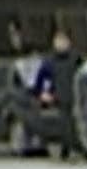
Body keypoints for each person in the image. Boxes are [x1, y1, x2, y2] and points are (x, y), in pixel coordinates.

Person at [34, 29, 83, 160]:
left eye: (63, 41)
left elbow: (83, 75)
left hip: (76, 96)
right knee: (65, 124)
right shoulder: (49, 61)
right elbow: (41, 80)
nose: (61, 44)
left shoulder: (76, 58)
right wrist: (43, 94)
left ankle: (77, 148)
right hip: (60, 98)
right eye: (58, 41)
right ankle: (70, 149)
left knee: (77, 124)